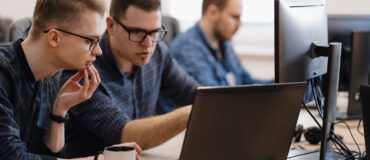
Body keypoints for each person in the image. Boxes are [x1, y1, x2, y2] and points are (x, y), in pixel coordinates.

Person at [0, 0, 141, 159]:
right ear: (54, 38)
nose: (98, 51)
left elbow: (50, 155)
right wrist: (100, 158)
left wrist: (60, 110)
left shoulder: (49, 80)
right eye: (90, 41)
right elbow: (12, 157)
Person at [59, 0, 199, 158]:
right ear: (111, 26)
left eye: (154, 32)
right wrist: (189, 114)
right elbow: (123, 135)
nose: (148, 44)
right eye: (137, 32)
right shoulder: (83, 69)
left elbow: (195, 94)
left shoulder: (158, 53)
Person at [157, 0, 274, 113]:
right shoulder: (188, 49)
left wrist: (281, 83)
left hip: (223, 116)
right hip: (192, 126)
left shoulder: (224, 45)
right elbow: (215, 101)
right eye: (234, 17)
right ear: (213, 12)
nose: (240, 23)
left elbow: (247, 82)